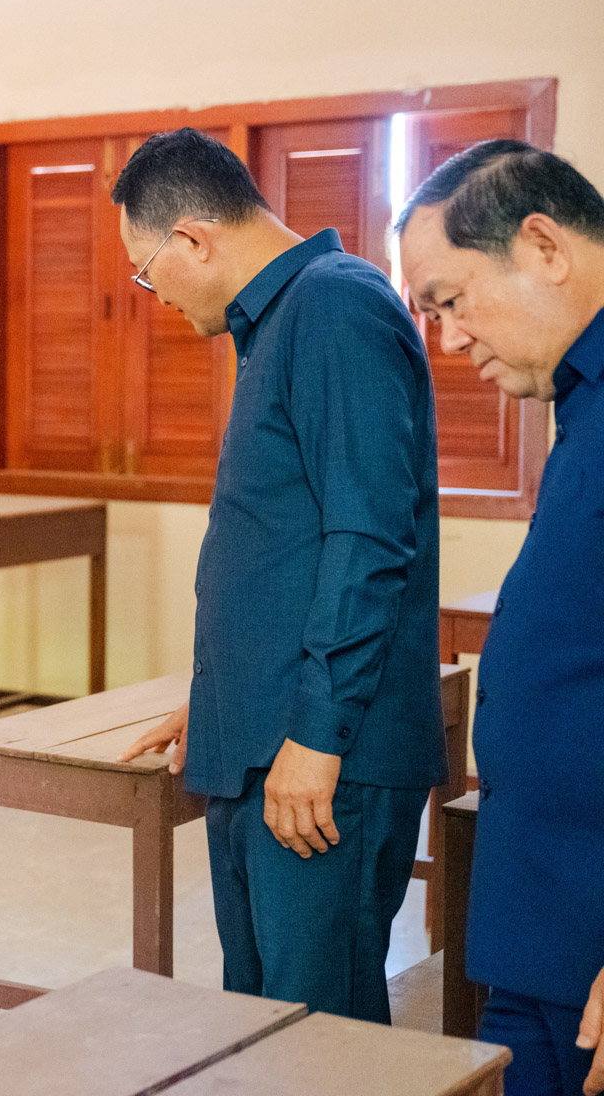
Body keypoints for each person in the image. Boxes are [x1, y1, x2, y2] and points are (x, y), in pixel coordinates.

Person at [115, 128, 445, 1023]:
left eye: (147, 272)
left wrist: (317, 736)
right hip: (266, 736)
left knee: (318, 1033)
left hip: (323, 755)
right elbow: (286, 547)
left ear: (191, 238)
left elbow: (368, 539)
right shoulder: (279, 322)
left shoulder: (334, 308)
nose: (154, 296)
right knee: (262, 1026)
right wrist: (224, 694)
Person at [395, 140, 604, 1096]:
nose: (448, 339)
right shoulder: (582, 400)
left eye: (451, 300)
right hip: (545, 912)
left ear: (543, 247)